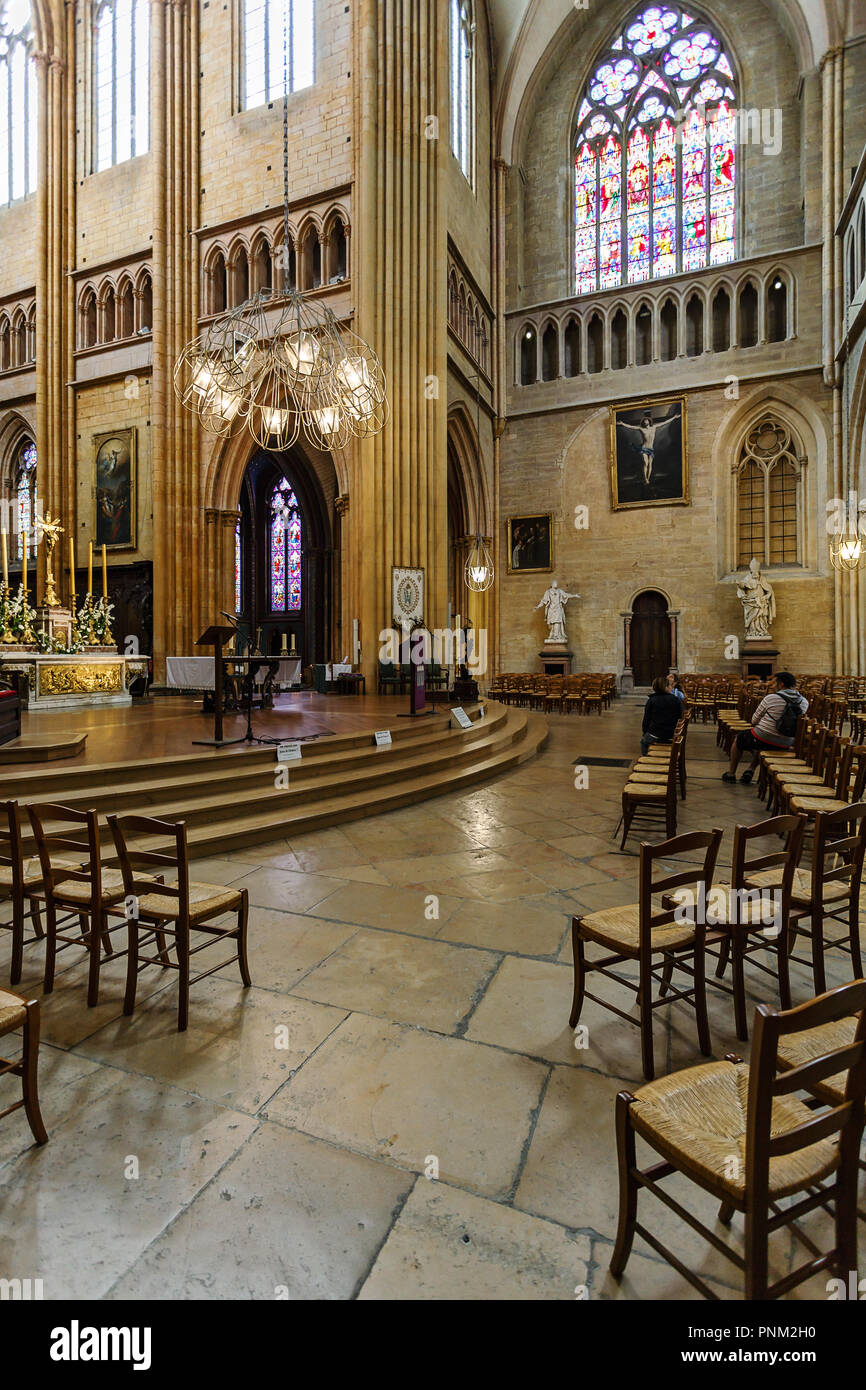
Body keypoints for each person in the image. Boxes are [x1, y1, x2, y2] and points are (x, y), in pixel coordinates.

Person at [722, 671, 808, 785]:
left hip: (763, 737)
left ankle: (731, 774)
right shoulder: (804, 702)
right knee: (763, 743)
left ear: (781, 684)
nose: (772, 686)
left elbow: (754, 721)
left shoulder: (771, 698)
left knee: (740, 739)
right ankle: (750, 769)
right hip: (787, 742)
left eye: (773, 683)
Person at [641, 675, 682, 756]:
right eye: (670, 686)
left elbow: (646, 720)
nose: (671, 687)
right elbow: (680, 717)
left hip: (655, 735)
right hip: (672, 735)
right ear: (666, 687)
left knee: (644, 742)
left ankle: (647, 758)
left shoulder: (652, 700)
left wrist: (645, 733)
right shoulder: (676, 699)